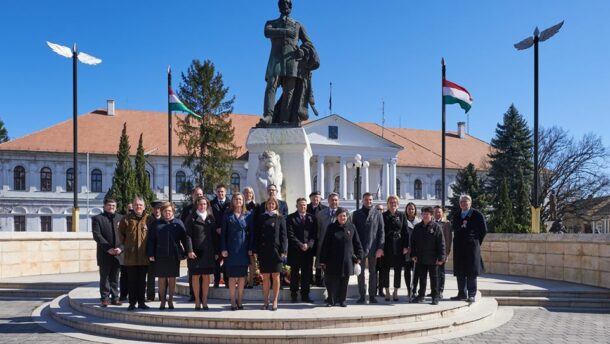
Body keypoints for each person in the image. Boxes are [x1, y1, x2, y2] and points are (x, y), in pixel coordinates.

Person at [262, 0, 319, 125]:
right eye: (282, 4)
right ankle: (268, 116)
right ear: (279, 6)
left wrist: (303, 52)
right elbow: (267, 32)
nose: (285, 6)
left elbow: (308, 43)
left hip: (292, 62)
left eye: (287, 4)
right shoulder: (272, 23)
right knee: (271, 87)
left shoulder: (298, 25)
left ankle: (285, 120)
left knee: (289, 92)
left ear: (291, 7)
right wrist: (285, 32)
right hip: (275, 60)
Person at [319, 207, 363, 307]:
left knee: (344, 281)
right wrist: (323, 260)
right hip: (332, 260)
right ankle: (331, 300)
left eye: (344, 216)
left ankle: (342, 300)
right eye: (340, 216)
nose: (342, 218)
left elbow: (357, 243)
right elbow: (326, 244)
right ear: (337, 217)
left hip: (347, 260)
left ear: (347, 217)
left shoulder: (351, 227)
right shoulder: (331, 227)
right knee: (332, 281)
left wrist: (359, 256)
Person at [147, 202, 187, 310]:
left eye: (169, 211)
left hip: (174, 255)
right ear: (162, 212)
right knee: (161, 278)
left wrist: (188, 251)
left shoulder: (178, 223)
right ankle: (163, 300)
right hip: (160, 254)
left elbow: (185, 238)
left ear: (173, 211)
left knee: (172, 278)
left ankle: (170, 299)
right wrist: (150, 253)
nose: (167, 213)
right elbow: (151, 240)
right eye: (165, 211)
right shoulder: (156, 224)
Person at [253, 197, 288, 310]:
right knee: (266, 277)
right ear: (266, 205)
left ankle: (275, 301)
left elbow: (284, 236)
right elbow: (257, 234)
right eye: (269, 203)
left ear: (276, 205)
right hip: (264, 251)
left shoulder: (280, 217)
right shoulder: (262, 217)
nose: (271, 205)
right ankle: (265, 301)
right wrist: (256, 250)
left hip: (276, 251)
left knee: (276, 276)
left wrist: (284, 250)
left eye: (273, 203)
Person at [451, 195, 487, 303]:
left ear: (470, 203)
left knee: (471, 272)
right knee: (460, 271)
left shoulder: (477, 215)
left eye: (465, 202)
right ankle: (461, 293)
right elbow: (455, 229)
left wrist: (476, 241)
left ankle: (471, 294)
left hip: (471, 247)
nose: (463, 203)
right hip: (459, 247)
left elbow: (483, 230)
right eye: (461, 202)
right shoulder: (457, 215)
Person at [220, 192, 252, 311]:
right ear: (232, 201)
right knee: (232, 278)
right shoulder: (227, 215)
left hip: (243, 250)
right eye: (236, 199)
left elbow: (251, 233)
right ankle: (233, 301)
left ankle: (240, 301)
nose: (238, 201)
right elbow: (223, 234)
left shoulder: (248, 215)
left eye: (240, 199)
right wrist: (223, 248)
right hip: (231, 250)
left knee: (242, 278)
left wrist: (250, 249)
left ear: (243, 201)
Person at [185, 196, 217, 310]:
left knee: (206, 277)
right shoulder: (191, 218)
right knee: (195, 276)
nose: (202, 206)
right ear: (196, 205)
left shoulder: (210, 218)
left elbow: (214, 236)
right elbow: (187, 236)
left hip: (208, 252)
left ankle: (204, 300)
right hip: (196, 253)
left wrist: (216, 252)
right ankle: (197, 300)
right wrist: (189, 250)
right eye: (200, 204)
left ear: (207, 205)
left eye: (204, 204)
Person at [118, 196, 150, 311]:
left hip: (143, 256)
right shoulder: (126, 219)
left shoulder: (148, 219)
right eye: (136, 205)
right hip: (130, 257)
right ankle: (132, 303)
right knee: (131, 281)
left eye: (140, 205)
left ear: (144, 206)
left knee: (142, 282)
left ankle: (141, 302)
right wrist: (126, 245)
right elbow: (121, 234)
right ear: (133, 205)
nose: (138, 207)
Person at [352, 192, 384, 304]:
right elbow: (353, 233)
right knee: (360, 273)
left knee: (373, 272)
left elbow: (381, 232)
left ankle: (372, 296)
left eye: (370, 200)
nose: (368, 201)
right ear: (362, 200)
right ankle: (362, 296)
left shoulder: (378, 214)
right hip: (359, 248)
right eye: (366, 199)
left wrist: (380, 247)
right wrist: (354, 249)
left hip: (373, 248)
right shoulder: (356, 214)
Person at [410, 207, 445, 305]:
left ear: (431, 215)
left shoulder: (436, 227)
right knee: (422, 278)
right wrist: (413, 254)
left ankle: (435, 296)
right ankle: (421, 295)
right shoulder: (417, 227)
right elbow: (413, 242)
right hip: (420, 257)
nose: (425, 216)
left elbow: (441, 243)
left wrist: (441, 257)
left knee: (434, 278)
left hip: (433, 258)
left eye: (427, 214)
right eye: (424, 214)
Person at [92, 198, 123, 307]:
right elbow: (97, 235)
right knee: (105, 278)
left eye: (113, 205)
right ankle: (104, 299)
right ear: (104, 206)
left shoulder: (121, 218)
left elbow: (125, 236)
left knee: (115, 277)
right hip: (104, 253)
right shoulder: (98, 218)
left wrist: (121, 248)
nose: (111, 207)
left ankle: (115, 298)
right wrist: (108, 249)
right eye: (109, 205)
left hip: (118, 254)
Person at [286, 197, 317, 303]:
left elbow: (314, 235)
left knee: (306, 274)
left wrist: (308, 245)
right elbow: (290, 234)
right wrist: (300, 245)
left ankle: (305, 295)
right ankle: (294, 294)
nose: (303, 206)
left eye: (304, 205)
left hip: (307, 252)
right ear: (296, 206)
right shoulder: (290, 218)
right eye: (300, 205)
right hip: (295, 250)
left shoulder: (312, 218)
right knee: (294, 274)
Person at [379, 196, 408, 302]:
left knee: (398, 270)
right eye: (391, 202)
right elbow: (380, 232)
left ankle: (395, 291)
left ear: (398, 203)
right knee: (385, 269)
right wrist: (380, 248)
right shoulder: (382, 216)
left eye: (395, 202)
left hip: (399, 245)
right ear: (387, 204)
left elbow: (405, 232)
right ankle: (386, 291)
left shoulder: (401, 215)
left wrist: (406, 246)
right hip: (386, 246)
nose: (393, 204)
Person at [315, 192, 340, 288]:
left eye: (336, 200)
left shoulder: (344, 214)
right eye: (332, 200)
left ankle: (337, 293)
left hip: (338, 247)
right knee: (326, 271)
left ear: (338, 201)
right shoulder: (320, 214)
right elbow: (317, 231)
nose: (334, 202)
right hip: (324, 247)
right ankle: (328, 293)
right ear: (328, 201)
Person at [211, 184, 230, 288]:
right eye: (219, 192)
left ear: (225, 192)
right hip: (216, 235)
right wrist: (216, 228)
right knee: (216, 259)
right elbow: (210, 218)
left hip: (227, 236)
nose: (220, 193)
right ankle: (216, 281)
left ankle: (227, 281)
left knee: (226, 259)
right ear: (216, 192)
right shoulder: (211, 204)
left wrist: (224, 229)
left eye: (222, 192)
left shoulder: (230, 203)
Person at [434, 206, 452, 299]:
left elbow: (448, 239)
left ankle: (440, 291)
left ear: (442, 213)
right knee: (433, 273)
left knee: (441, 273)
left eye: (439, 212)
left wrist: (446, 254)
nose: (437, 214)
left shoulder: (446, 223)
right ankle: (434, 290)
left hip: (442, 252)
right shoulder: (431, 222)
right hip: (432, 252)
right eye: (435, 212)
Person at [146, 201, 163, 302]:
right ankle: (150, 296)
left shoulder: (164, 219)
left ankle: (162, 296)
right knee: (151, 275)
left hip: (162, 252)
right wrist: (150, 253)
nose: (157, 210)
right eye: (155, 208)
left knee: (162, 275)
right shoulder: (148, 220)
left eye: (159, 208)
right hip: (151, 251)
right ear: (153, 209)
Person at [403, 202, 421, 298]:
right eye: (409, 209)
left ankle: (414, 290)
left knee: (416, 271)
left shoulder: (419, 222)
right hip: (406, 250)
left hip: (416, 250)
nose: (411, 210)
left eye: (412, 209)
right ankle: (409, 290)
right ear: (406, 210)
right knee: (407, 271)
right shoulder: (403, 221)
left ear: (415, 210)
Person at [243, 186, 258, 288]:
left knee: (252, 261)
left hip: (253, 236)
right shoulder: (240, 205)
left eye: (250, 193)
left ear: (252, 194)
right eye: (246, 193)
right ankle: (244, 281)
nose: (248, 195)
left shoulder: (257, 206)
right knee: (243, 261)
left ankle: (252, 281)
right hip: (243, 237)